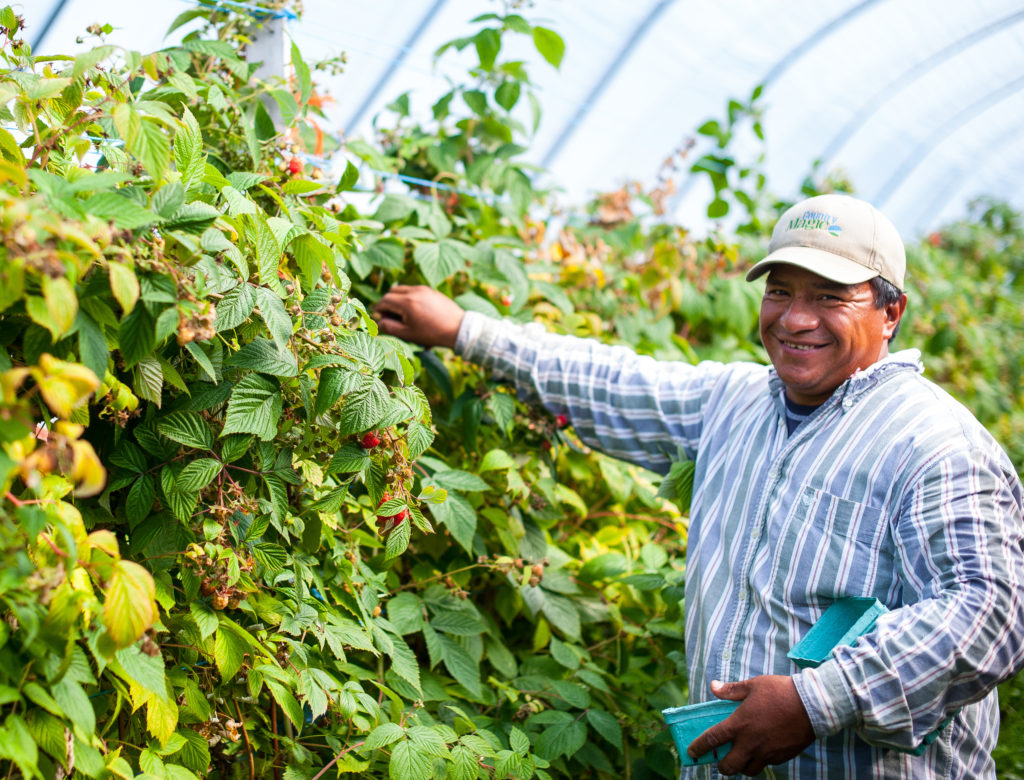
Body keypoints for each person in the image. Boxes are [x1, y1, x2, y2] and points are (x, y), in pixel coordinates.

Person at [373, 194, 1024, 778]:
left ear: (891, 313)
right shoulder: (737, 404)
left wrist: (814, 702)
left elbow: (991, 614)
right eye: (780, 292)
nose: (796, 319)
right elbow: (611, 383)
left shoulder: (935, 446)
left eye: (830, 297)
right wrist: (464, 331)